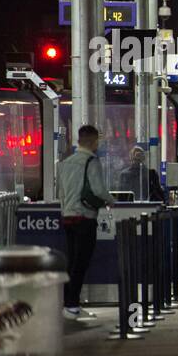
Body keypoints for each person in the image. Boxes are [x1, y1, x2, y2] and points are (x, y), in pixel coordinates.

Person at [56, 125, 114, 319]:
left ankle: (68, 303)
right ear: (94, 141)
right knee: (81, 263)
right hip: (85, 218)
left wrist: (66, 210)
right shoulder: (92, 162)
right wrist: (111, 200)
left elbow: (61, 193)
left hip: (68, 218)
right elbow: (98, 190)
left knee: (71, 261)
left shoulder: (65, 163)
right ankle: (72, 305)